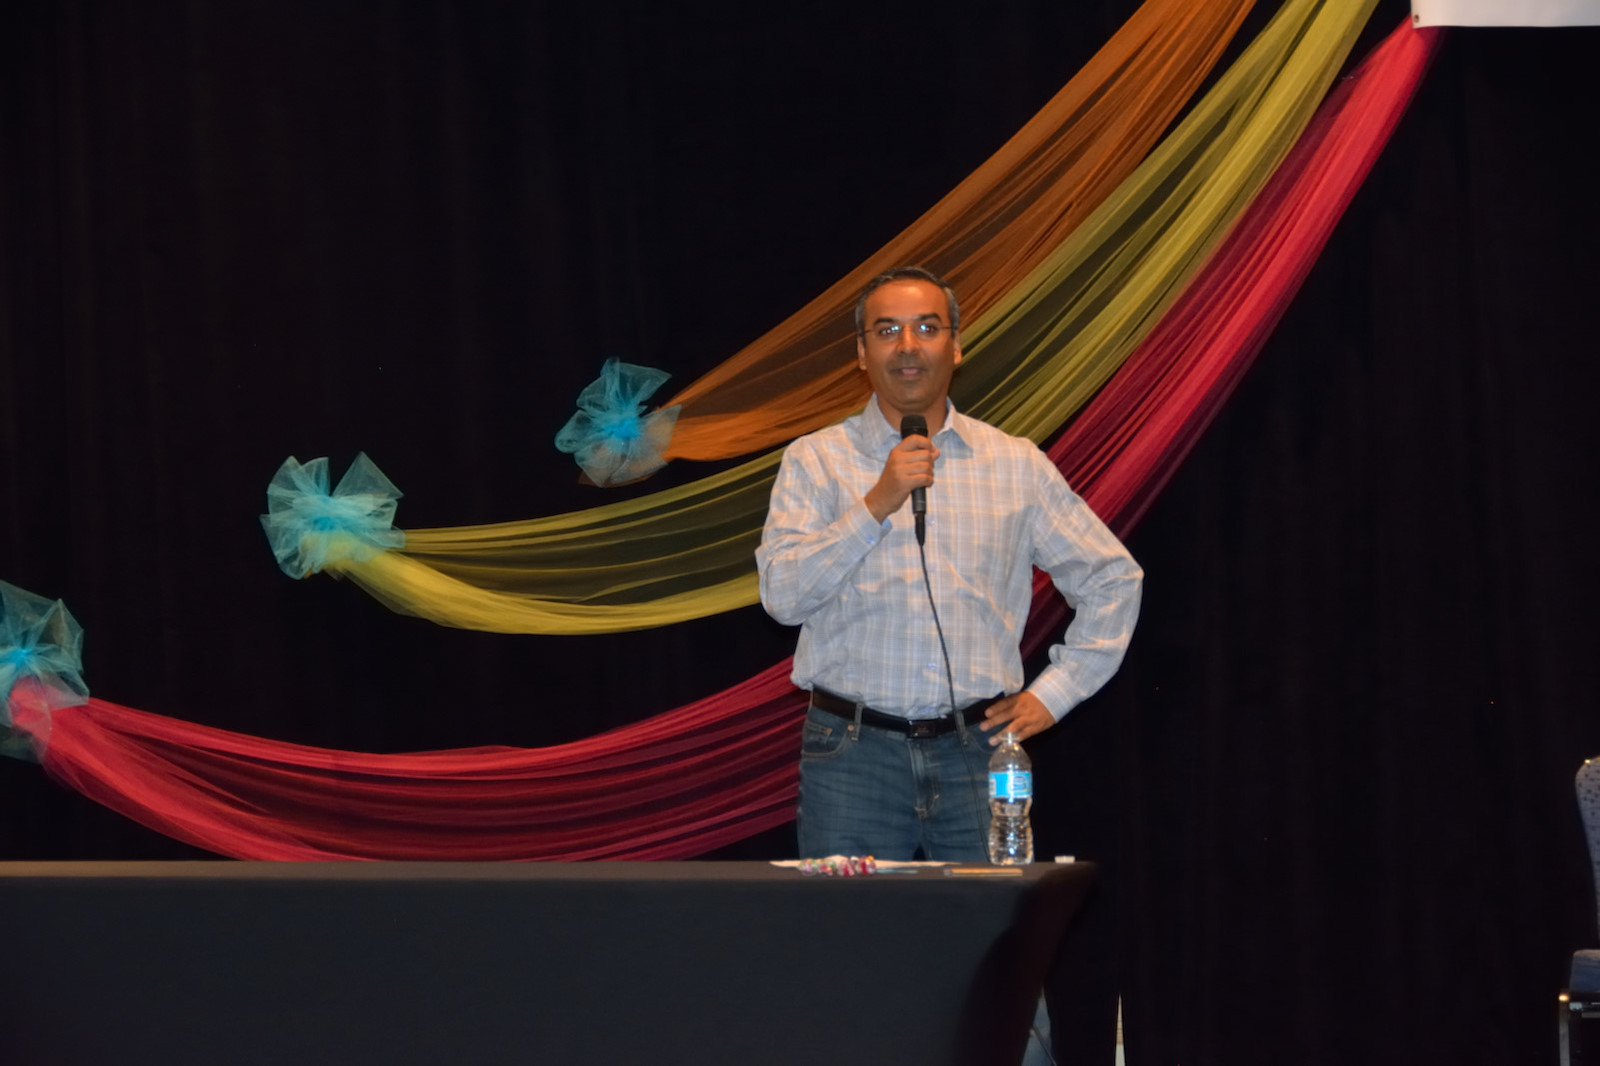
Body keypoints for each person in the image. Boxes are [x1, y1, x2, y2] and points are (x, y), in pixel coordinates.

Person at [755, 266, 1143, 863]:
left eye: (927, 328)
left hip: (979, 751)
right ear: (861, 353)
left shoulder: (1015, 463)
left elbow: (1112, 578)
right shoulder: (815, 461)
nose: (908, 345)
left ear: (956, 346)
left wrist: (1055, 694)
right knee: (847, 924)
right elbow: (782, 597)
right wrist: (877, 502)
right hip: (852, 755)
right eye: (887, 330)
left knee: (987, 922)